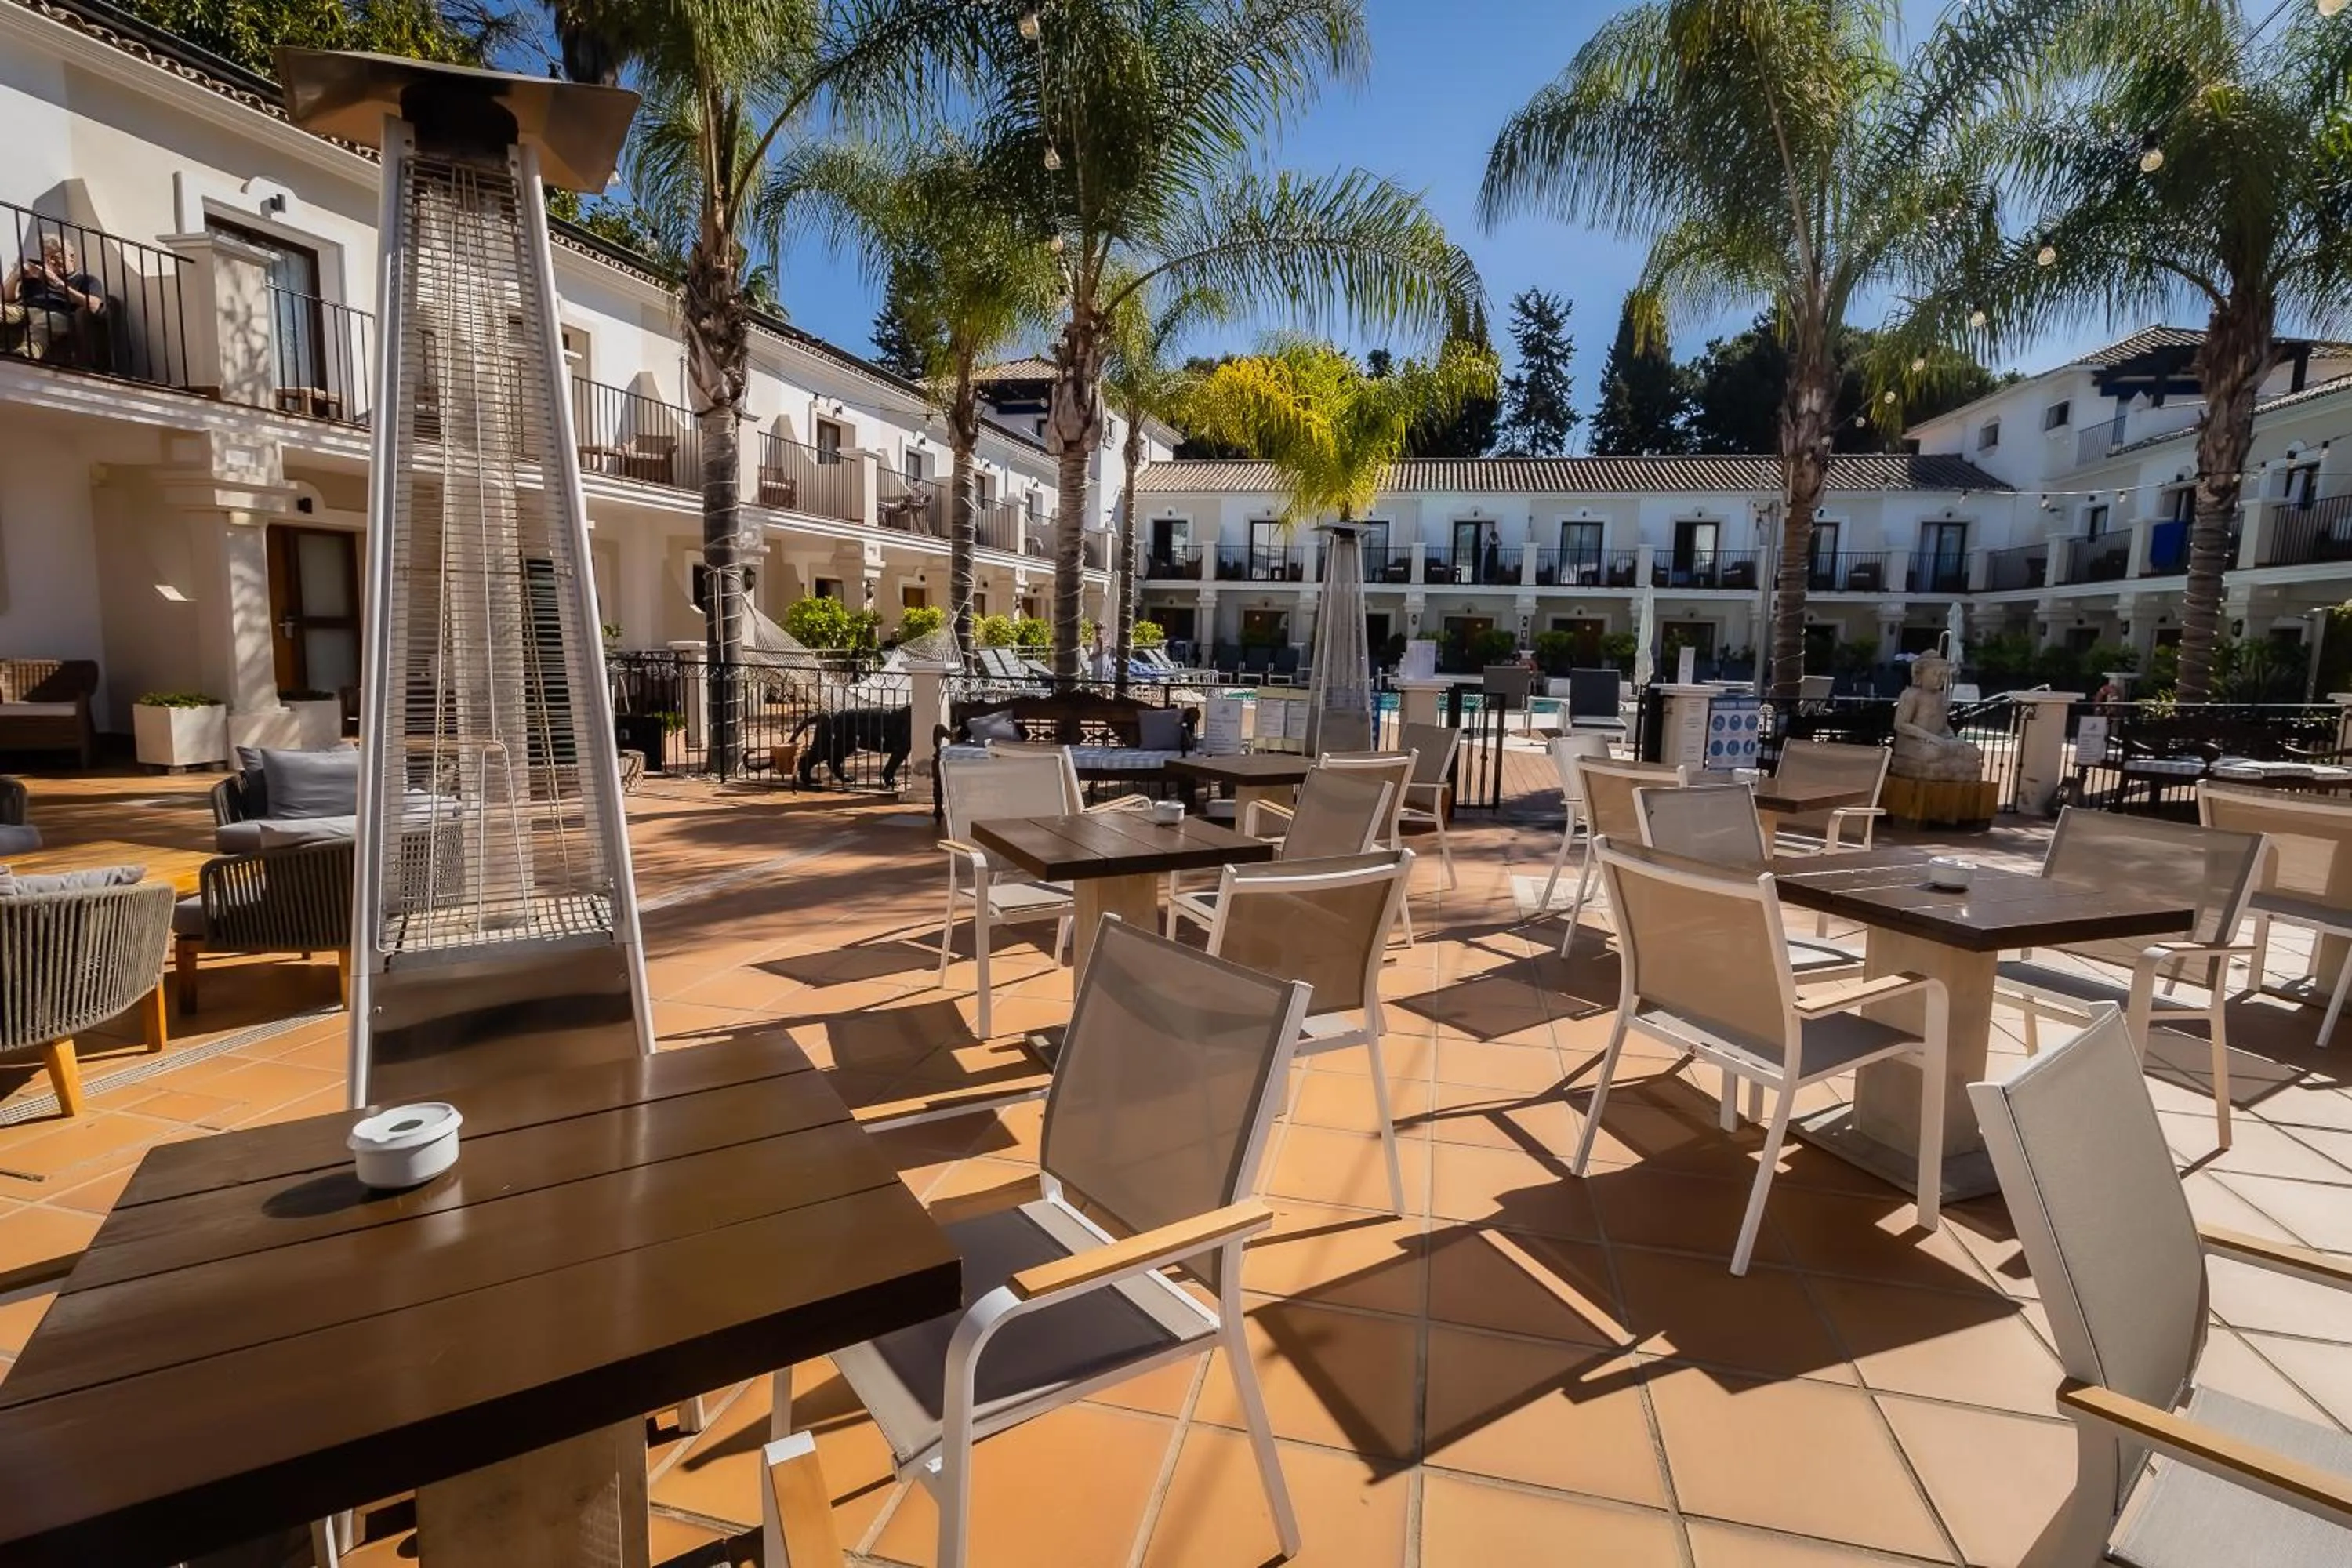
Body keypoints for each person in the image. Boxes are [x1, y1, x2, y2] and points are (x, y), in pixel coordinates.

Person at [2, 234, 104, 365]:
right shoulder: (35, 280)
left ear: (71, 257)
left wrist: (58, 283)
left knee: (46, 320)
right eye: (47, 258)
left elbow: (94, 305)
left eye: (56, 257)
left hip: (59, 314)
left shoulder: (86, 280)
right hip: (26, 310)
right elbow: (6, 299)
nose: (51, 262)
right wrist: (15, 275)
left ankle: (24, 357)